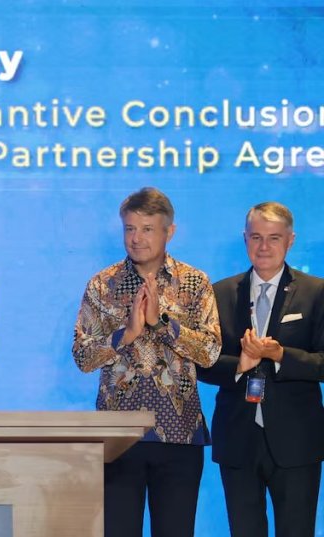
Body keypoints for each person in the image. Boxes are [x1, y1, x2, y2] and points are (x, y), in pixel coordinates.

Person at [72, 186, 221, 537]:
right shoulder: (102, 285)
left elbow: (211, 351)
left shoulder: (195, 283)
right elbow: (82, 356)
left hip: (179, 435)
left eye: (147, 229)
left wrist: (162, 324)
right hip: (118, 436)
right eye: (130, 229)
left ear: (170, 232)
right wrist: (125, 335)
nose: (136, 239)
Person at [197, 202, 324, 537]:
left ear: (290, 240)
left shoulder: (316, 292)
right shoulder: (220, 293)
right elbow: (202, 363)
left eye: (274, 238)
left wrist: (281, 354)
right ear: (245, 239)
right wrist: (240, 364)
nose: (264, 247)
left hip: (297, 442)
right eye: (256, 237)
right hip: (238, 439)